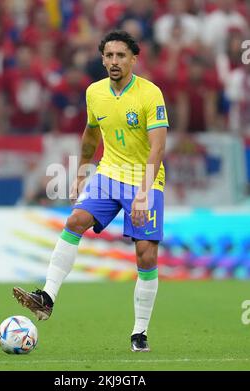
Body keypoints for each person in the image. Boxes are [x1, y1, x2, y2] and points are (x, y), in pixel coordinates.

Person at [13, 30, 169, 352]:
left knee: (146, 254)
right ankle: (47, 297)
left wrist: (143, 193)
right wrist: (82, 171)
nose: (114, 61)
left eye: (121, 56)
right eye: (109, 56)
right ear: (102, 59)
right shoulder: (94, 93)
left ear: (133, 59)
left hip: (145, 178)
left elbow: (157, 149)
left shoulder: (150, 94)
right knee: (74, 221)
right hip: (109, 173)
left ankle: (139, 332)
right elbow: (90, 133)